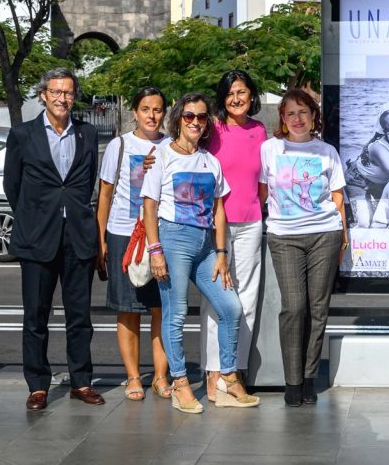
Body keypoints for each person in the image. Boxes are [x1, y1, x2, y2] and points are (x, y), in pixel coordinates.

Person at [142, 92, 259, 413]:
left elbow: (220, 210)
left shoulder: (210, 160)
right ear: (178, 118)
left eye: (202, 117)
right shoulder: (161, 155)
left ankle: (228, 377)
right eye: (189, 116)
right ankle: (180, 382)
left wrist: (222, 252)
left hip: (207, 245)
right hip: (172, 240)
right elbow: (149, 207)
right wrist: (156, 251)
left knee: (230, 308)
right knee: (176, 314)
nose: (195, 122)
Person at [4, 68, 105, 411]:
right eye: (56, 92)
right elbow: (12, 186)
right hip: (37, 237)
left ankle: (81, 381)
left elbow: (87, 179)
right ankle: (37, 385)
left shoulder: (87, 134)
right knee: (36, 316)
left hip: (78, 236)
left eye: (69, 92)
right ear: (43, 95)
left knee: (80, 317)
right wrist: (36, 216)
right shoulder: (22, 135)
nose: (63, 98)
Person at [260, 89, 348, 407]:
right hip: (284, 236)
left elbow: (338, 198)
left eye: (303, 112)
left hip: (325, 234)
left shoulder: (327, 152)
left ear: (313, 116)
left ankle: (308, 378)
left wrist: (343, 237)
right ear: (282, 119)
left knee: (318, 309)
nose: (298, 119)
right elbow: (259, 193)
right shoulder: (270, 149)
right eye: (290, 114)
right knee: (294, 307)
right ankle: (292, 380)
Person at [96, 87, 171, 402]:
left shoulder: (171, 145)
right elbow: (105, 195)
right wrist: (101, 240)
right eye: (145, 109)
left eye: (157, 109)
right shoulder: (120, 145)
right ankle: (133, 377)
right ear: (135, 112)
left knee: (161, 309)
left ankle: (161, 377)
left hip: (160, 234)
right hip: (124, 234)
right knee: (128, 310)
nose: (152, 115)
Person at [202, 70, 268, 401]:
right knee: (218, 298)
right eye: (230, 93)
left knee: (248, 300)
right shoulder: (212, 129)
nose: (236, 98)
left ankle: (235, 370)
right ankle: (214, 371)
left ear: (251, 95)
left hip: (251, 222)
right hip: (216, 225)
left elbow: (263, 182)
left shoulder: (259, 130)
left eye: (241, 91)